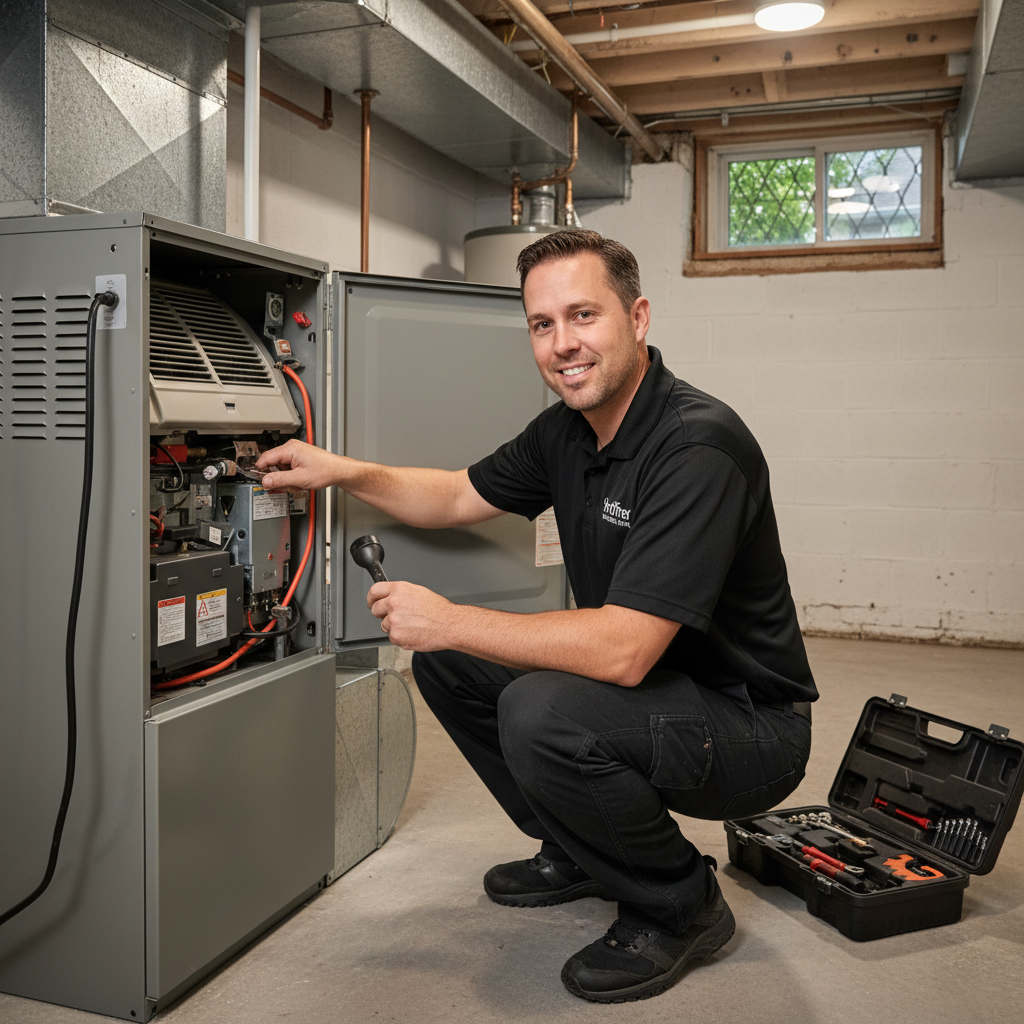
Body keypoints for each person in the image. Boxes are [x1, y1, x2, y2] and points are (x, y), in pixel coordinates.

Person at [255, 230, 816, 1003]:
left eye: (583, 315)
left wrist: (449, 616)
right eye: (542, 325)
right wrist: (338, 471)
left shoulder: (696, 447)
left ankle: (681, 904)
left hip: (750, 727)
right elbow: (456, 494)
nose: (562, 344)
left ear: (639, 317)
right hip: (659, 694)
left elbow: (622, 650)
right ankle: (585, 848)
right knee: (452, 668)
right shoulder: (566, 431)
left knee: (540, 709)